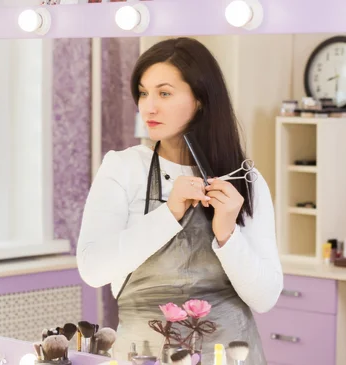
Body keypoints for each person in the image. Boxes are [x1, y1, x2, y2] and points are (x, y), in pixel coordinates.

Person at [76, 38, 282, 364]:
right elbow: (93, 269)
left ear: (200, 99)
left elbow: (266, 297)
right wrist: (169, 213)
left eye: (164, 93)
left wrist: (227, 233)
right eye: (143, 93)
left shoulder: (245, 180)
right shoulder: (124, 167)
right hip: (142, 355)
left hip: (230, 356)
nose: (149, 106)